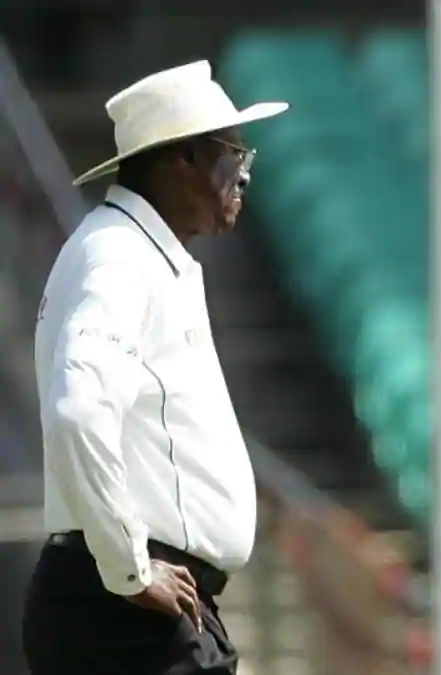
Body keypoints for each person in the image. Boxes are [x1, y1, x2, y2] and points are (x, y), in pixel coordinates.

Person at [23, 60, 286, 675]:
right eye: (232, 150)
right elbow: (77, 411)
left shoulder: (133, 252)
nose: (245, 170)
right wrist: (131, 570)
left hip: (135, 605)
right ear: (181, 160)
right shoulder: (118, 256)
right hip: (126, 612)